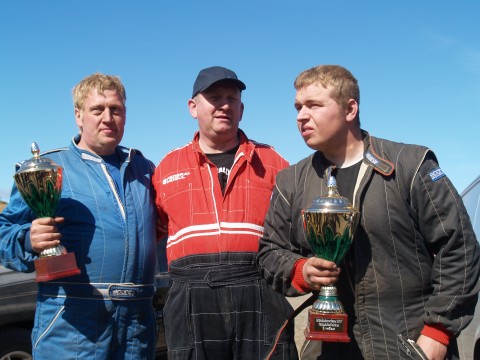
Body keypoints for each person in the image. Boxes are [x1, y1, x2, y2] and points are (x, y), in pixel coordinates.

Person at [257, 65, 480, 360]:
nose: (300, 116)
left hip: (407, 346)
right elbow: (270, 253)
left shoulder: (410, 165)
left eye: (313, 105)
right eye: (298, 107)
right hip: (328, 348)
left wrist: (437, 334)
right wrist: (302, 271)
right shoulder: (291, 181)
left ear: (350, 109)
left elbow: (459, 247)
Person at [0, 73, 158, 359]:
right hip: (72, 323)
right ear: (78, 115)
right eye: (97, 109)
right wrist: (27, 240)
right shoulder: (48, 169)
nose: (108, 117)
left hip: (137, 327)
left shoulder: (145, 169)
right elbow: (4, 230)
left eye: (116, 109)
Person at [153, 66, 298, 359]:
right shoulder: (166, 167)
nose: (224, 105)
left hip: (259, 290)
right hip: (191, 297)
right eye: (214, 97)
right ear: (193, 107)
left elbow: (298, 233)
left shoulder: (275, 163)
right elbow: (151, 233)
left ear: (241, 109)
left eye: (232, 98)